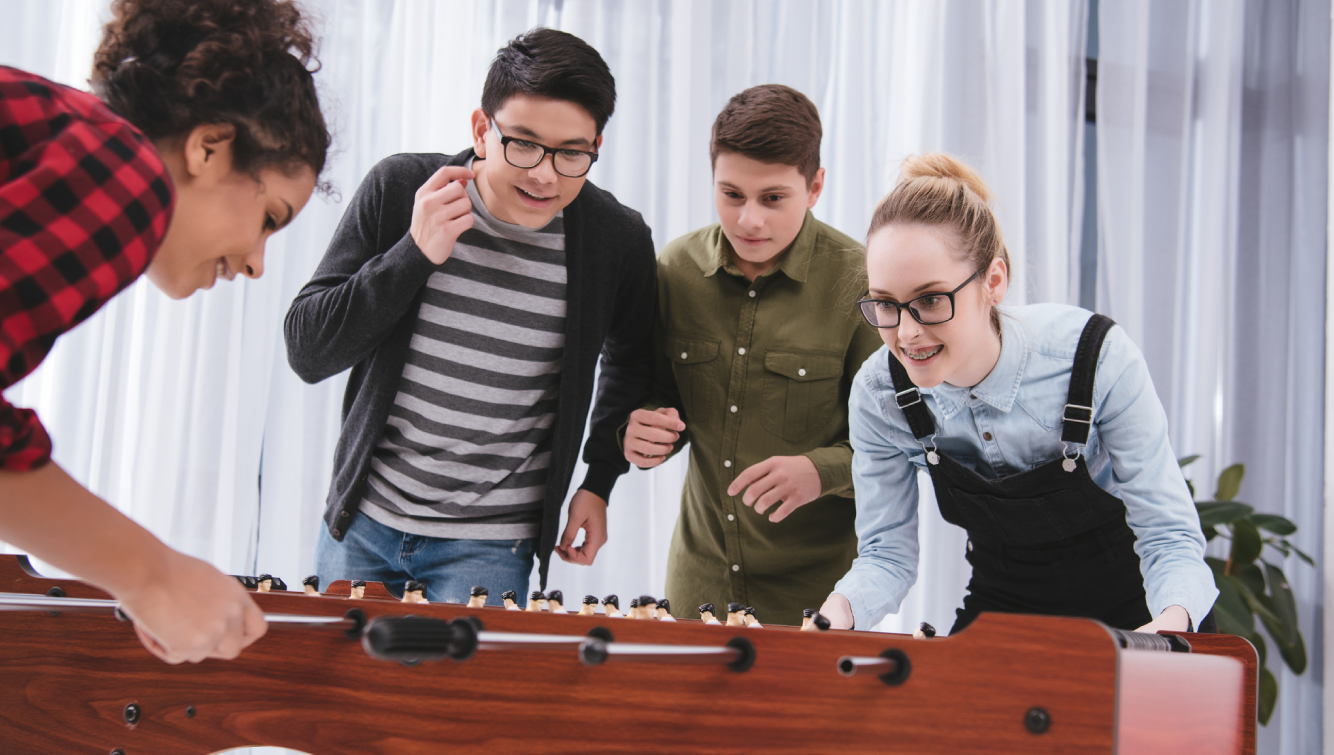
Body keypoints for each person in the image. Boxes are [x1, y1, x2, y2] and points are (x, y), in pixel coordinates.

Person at [0, 0, 330, 664]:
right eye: (268, 217)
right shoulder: (128, 172)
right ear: (208, 147)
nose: (257, 264)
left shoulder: (61, 134)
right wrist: (152, 575)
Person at [286, 28, 655, 608]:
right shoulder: (402, 188)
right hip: (364, 525)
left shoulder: (615, 237)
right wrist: (412, 253)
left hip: (491, 547)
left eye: (572, 153)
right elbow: (308, 351)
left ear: (595, 146)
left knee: (461, 702)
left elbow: (633, 361)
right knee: (343, 699)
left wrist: (600, 480)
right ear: (482, 130)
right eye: (524, 144)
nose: (544, 175)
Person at [819, 153, 1218, 635]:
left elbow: (1170, 538)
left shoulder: (1094, 358)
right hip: (1005, 601)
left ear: (993, 281)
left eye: (929, 300)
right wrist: (834, 615)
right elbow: (886, 556)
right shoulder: (879, 394)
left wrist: (1165, 633)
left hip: (1144, 604)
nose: (906, 333)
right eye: (886, 303)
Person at [623, 85, 881, 626]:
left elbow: (897, 447)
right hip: (698, 584)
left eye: (772, 198)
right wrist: (644, 431)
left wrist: (820, 470)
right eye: (731, 195)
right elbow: (661, 396)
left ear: (815, 187)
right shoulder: (676, 269)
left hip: (818, 598)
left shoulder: (863, 284)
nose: (749, 221)